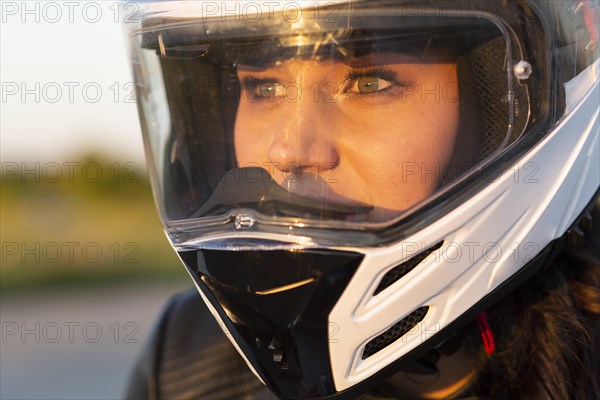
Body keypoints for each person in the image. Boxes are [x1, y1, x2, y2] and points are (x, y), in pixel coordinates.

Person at [122, 0, 599, 398]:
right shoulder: (188, 356)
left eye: (369, 83)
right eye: (263, 87)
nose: (289, 151)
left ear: (506, 102)